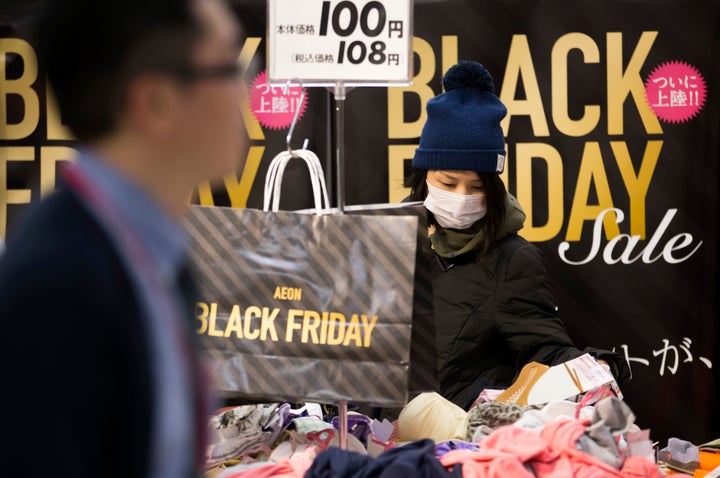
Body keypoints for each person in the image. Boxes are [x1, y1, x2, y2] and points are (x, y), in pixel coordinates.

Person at [0, 0, 245, 476]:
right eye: (227, 67)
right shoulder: (57, 285)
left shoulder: (152, 254)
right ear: (154, 102)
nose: (245, 91)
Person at [406, 61, 631, 410]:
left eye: (477, 186)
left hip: (458, 443)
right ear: (424, 176)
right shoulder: (389, 239)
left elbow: (545, 347)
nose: (462, 196)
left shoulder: (513, 259)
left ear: (493, 188)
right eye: (449, 183)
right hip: (370, 435)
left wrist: (594, 367)